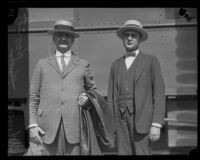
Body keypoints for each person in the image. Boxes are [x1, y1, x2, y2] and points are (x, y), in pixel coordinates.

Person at [26, 20, 97, 155]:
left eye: (67, 35)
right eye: (59, 35)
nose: (63, 38)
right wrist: (33, 125)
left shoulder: (83, 64)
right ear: (54, 38)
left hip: (73, 127)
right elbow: (33, 96)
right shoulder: (42, 64)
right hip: (46, 128)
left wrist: (87, 98)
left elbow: (93, 91)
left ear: (73, 40)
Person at [107, 20, 166, 155]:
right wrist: (111, 126)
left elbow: (159, 93)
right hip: (120, 121)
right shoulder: (116, 64)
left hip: (142, 121)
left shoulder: (151, 61)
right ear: (122, 38)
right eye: (126, 35)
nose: (129, 38)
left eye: (133, 35)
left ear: (140, 38)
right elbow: (111, 98)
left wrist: (156, 124)